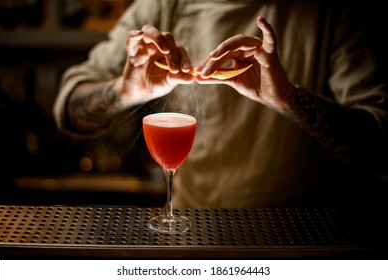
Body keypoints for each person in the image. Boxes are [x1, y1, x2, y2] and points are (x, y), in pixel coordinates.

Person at [54, 0, 388, 208]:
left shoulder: (332, 10)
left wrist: (289, 99)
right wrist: (125, 90)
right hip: (194, 234)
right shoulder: (163, 5)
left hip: (299, 241)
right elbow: (69, 107)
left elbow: (381, 149)